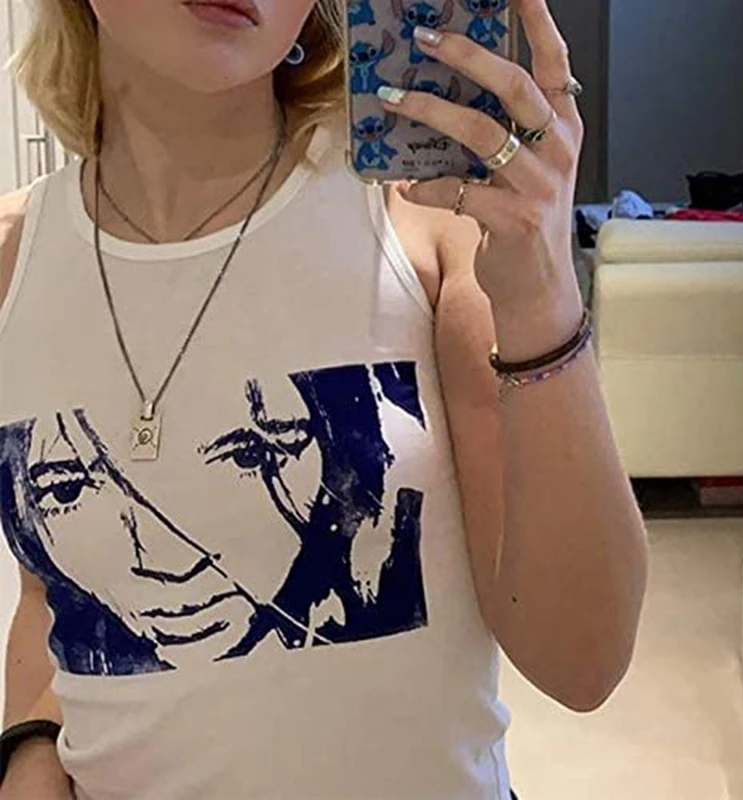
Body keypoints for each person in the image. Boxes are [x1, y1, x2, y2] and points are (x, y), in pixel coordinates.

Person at [0, 0, 649, 797]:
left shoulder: (429, 228)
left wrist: (541, 291)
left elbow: (583, 661)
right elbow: (53, 595)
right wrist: (30, 746)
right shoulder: (14, 262)